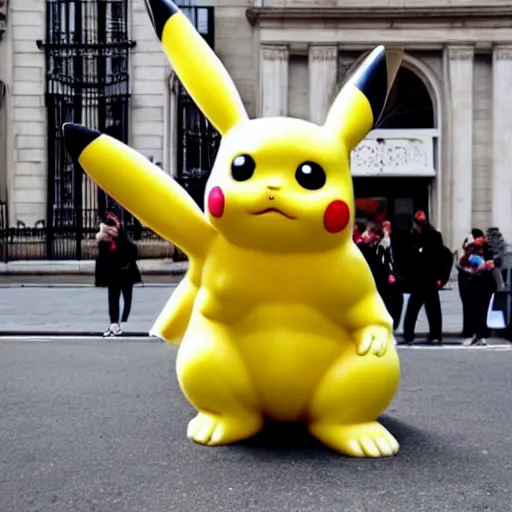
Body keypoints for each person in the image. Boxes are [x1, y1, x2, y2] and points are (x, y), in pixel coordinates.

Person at [401, 210, 445, 345]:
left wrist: (439, 276)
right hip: (419, 277)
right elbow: (407, 258)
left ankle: (432, 334)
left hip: (428, 276)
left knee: (429, 308)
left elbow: (440, 257)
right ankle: (411, 334)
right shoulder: (411, 237)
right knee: (417, 308)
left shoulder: (433, 236)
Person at [95, 211, 142, 337]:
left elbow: (130, 252)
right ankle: (115, 324)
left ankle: (119, 322)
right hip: (116, 273)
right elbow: (103, 258)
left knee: (122, 298)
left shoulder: (120, 239)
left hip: (122, 272)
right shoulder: (107, 241)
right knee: (115, 298)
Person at [457, 235, 496, 346]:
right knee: (471, 310)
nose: (478, 249)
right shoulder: (468, 256)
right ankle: (471, 334)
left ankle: (480, 335)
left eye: (480, 247)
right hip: (471, 284)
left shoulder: (486, 253)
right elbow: (462, 265)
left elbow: (493, 264)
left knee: (482, 311)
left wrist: (487, 266)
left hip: (483, 284)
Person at [376, 220, 404, 330]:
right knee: (386, 302)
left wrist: (395, 274)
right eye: (384, 227)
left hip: (395, 277)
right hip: (383, 278)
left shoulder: (396, 242)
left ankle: (394, 324)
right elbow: (381, 260)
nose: (386, 230)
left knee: (397, 302)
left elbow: (397, 260)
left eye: (388, 227)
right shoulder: (380, 243)